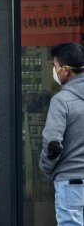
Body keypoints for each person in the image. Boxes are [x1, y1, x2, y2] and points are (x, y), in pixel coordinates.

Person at [39, 42, 84, 225]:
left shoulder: (61, 101)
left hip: (70, 182)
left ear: (65, 70)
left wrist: (46, 168)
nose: (54, 71)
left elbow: (53, 146)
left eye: (55, 67)